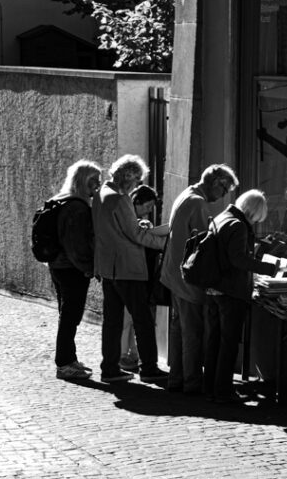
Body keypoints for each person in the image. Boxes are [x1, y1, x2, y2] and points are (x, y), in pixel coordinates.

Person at [159, 164, 238, 395]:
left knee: (179, 328)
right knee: (192, 331)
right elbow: (206, 244)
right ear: (216, 183)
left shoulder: (187, 194)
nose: (222, 196)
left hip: (175, 274)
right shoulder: (197, 203)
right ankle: (192, 381)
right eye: (224, 190)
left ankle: (177, 378)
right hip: (187, 278)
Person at [93, 154, 169, 383]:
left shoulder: (100, 194)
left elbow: (115, 229)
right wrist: (165, 243)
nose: (137, 186)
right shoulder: (120, 199)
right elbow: (135, 235)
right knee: (143, 320)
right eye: (137, 180)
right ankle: (149, 368)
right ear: (128, 177)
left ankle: (109, 368)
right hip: (127, 268)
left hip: (109, 268)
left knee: (112, 321)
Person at [203, 189, 274, 404]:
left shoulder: (222, 217)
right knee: (229, 342)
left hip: (214, 288)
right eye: (257, 219)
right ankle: (223, 390)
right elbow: (238, 259)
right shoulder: (238, 225)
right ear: (253, 212)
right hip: (230, 291)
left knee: (215, 340)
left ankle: (210, 387)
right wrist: (267, 268)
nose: (256, 223)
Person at [48, 160, 102, 381]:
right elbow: (77, 245)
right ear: (83, 181)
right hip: (72, 269)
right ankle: (64, 363)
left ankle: (69, 359)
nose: (98, 186)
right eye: (94, 181)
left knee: (67, 315)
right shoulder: (77, 208)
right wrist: (89, 268)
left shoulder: (60, 200)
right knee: (71, 316)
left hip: (57, 266)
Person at [119, 185, 164, 372]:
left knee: (132, 319)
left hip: (140, 276)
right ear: (136, 202)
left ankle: (132, 354)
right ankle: (123, 355)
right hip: (129, 274)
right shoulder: (129, 221)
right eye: (147, 206)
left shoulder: (140, 222)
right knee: (127, 319)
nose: (149, 211)